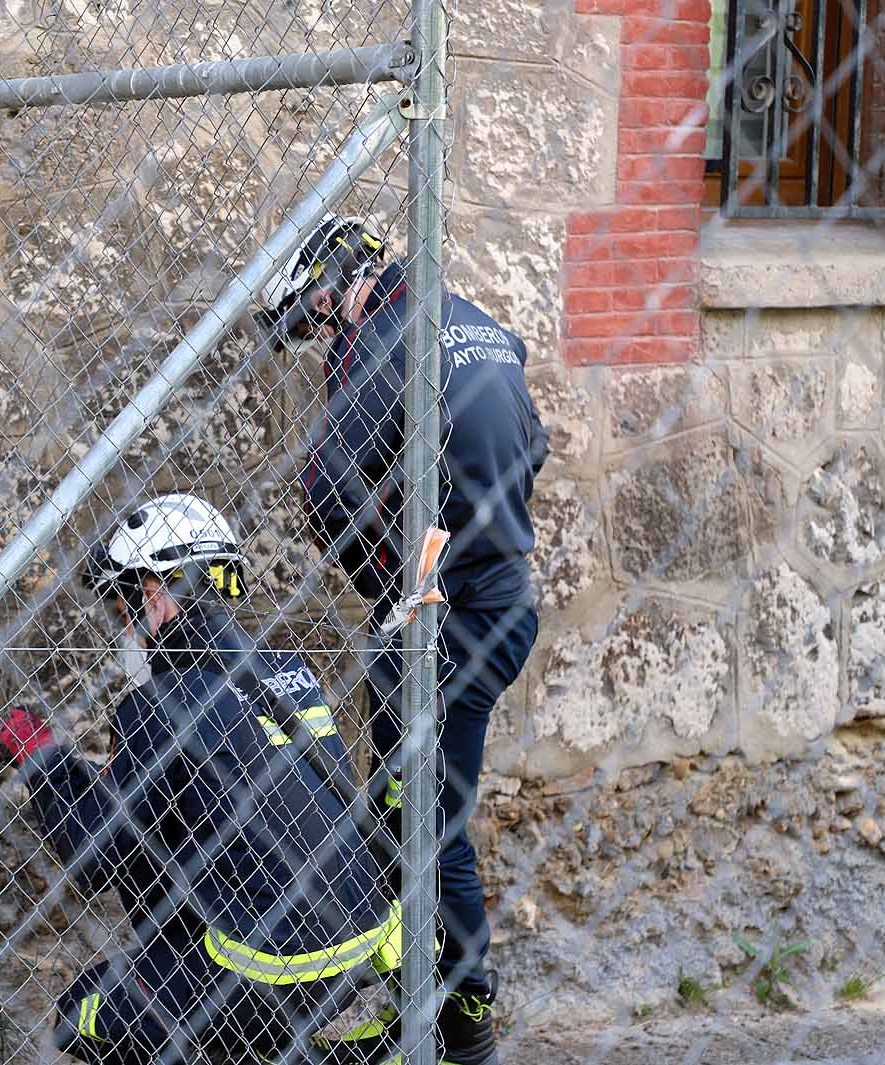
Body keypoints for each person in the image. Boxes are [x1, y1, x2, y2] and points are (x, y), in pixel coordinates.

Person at [258, 215, 548, 1065]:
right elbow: (532, 438)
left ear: (332, 282)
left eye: (312, 320)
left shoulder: (375, 337)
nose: (317, 342)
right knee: (409, 804)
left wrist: (395, 580)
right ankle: (425, 1000)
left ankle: (465, 1024)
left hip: (440, 623)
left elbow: (322, 489)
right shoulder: (468, 316)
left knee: (425, 819)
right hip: (504, 600)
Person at [0, 494, 398, 1065]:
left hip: (269, 973)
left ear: (155, 596)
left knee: (81, 1015)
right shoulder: (286, 670)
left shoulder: (155, 706)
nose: (124, 626)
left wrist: (45, 759)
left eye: (124, 606)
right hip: (359, 939)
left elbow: (89, 857)